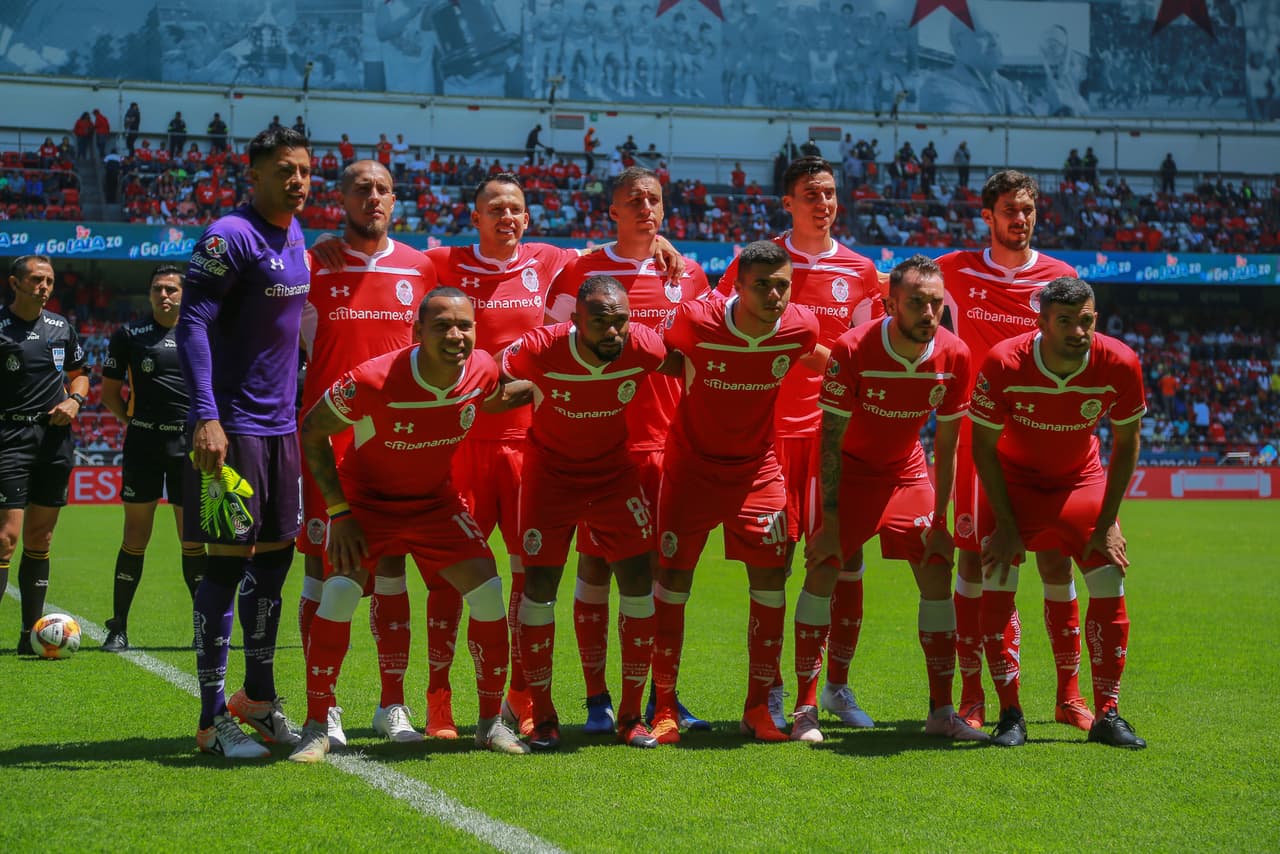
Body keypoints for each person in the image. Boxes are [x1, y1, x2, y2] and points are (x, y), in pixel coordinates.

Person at [422, 173, 683, 736]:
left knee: (529, 581)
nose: (507, 216)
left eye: (516, 208)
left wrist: (656, 242)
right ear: (475, 215)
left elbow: (616, 264)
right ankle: (437, 699)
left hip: (538, 447)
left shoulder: (554, 261)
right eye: (495, 207)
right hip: (475, 443)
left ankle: (530, 699)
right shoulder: (443, 261)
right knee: (450, 578)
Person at [289, 288, 530, 762]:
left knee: (488, 591)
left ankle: (489, 723)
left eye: (464, 325)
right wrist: (339, 512)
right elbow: (314, 430)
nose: (455, 336)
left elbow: (496, 397)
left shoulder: (481, 367)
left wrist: (551, 385)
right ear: (417, 332)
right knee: (337, 595)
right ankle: (317, 725)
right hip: (367, 505)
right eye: (441, 326)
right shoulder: (373, 380)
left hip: (434, 504)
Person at [717, 156, 884, 730]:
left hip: (834, 435)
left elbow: (869, 351)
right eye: (811, 193)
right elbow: (726, 322)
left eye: (831, 192)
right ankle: (770, 692)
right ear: (787, 203)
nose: (824, 202)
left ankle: (832, 687)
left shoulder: (861, 270)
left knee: (844, 558)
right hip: (769, 436)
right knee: (773, 565)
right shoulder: (760, 263)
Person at [544, 165, 710, 736]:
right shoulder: (581, 271)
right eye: (633, 199)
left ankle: (665, 696)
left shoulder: (686, 273)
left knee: (665, 574)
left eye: (654, 199)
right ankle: (597, 699)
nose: (645, 207)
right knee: (594, 566)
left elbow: (702, 353)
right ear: (611, 210)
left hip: (674, 445)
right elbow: (555, 354)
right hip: (605, 445)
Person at [802, 255, 986, 744]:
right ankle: (806, 709)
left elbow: (946, 448)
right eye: (917, 303)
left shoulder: (955, 355)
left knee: (935, 565)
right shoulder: (853, 346)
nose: (930, 313)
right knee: (823, 565)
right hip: (852, 474)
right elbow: (831, 439)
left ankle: (941, 711)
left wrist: (942, 519)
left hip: (906, 472)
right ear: (889, 305)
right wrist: (831, 521)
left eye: (936, 303)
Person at [650, 240, 826, 744]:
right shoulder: (697, 321)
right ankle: (664, 704)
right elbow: (663, 355)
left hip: (758, 471)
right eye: (762, 285)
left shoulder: (800, 326)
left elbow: (819, 358)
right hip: (691, 470)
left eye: (782, 285)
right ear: (739, 285)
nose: (775, 294)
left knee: (771, 583)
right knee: (673, 585)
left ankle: (757, 707)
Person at [938, 169, 1091, 735]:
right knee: (977, 561)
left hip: (1044, 441)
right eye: (1009, 209)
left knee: (1054, 560)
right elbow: (883, 281)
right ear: (988, 215)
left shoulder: (1060, 278)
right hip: (982, 443)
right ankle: (976, 695)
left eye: (1027, 209)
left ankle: (1069, 696)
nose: (1019, 219)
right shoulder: (954, 269)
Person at [296, 159, 442, 747]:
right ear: (341, 199)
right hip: (327, 444)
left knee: (390, 566)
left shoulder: (420, 265)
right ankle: (322, 707)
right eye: (362, 189)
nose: (373, 198)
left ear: (394, 200)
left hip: (395, 441)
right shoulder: (311, 265)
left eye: (383, 189)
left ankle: (391, 705)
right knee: (322, 568)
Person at [177, 126, 311, 759]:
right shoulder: (229, 236)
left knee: (277, 557)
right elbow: (192, 322)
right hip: (234, 428)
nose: (297, 180)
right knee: (227, 565)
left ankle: (256, 699)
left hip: (283, 427)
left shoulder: (296, 235)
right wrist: (207, 416)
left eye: (305, 170)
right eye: (285, 170)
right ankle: (211, 722)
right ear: (253, 175)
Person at [968, 276, 1147, 749]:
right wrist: (1006, 526)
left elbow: (1127, 443)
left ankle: (1108, 711)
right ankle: (1010, 714)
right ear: (1042, 322)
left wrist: (1108, 524)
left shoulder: (1121, 363)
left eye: (1085, 321)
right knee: (998, 573)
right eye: (1064, 321)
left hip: (1079, 480)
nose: (1077, 331)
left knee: (1109, 573)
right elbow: (982, 447)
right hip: (1014, 482)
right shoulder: (1004, 361)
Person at [505, 276, 676, 751]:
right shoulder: (540, 347)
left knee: (639, 587)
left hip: (614, 476)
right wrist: (530, 394)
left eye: (619, 320)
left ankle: (629, 717)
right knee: (538, 591)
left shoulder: (641, 343)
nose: (612, 331)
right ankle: (541, 715)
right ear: (576, 319)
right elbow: (496, 371)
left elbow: (682, 364)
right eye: (600, 321)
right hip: (550, 477)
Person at [99, 264, 205, 652]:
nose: (165, 295)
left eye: (172, 290)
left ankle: (203, 628)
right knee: (134, 536)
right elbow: (110, 393)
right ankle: (118, 627)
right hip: (143, 445)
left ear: (184, 294)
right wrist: (134, 421)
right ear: (149, 294)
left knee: (191, 540)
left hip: (188, 447)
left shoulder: (200, 332)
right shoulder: (129, 335)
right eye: (159, 289)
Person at [0, 255, 88, 654]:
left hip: (53, 440)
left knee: (41, 536)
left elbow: (80, 373)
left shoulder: (60, 326)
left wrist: (75, 400)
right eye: (36, 280)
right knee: (6, 537)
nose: (44, 287)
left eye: (49, 280)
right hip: (9, 437)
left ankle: (27, 636)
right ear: (14, 283)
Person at [917, 13, 1032, 116]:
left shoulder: (1004, 85)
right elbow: (975, 132)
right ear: (960, 42)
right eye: (984, 35)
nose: (994, 42)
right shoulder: (938, 88)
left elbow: (1030, 130)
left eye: (996, 35)